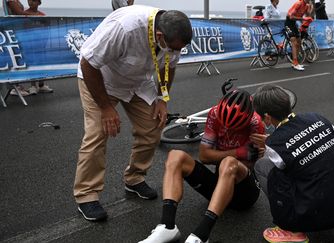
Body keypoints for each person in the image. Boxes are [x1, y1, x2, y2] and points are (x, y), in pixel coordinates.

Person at [73, 5, 192, 221]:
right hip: (100, 80)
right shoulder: (125, 28)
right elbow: (88, 64)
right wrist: (106, 108)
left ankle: (135, 178)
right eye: (173, 49)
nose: (175, 53)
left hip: (137, 82)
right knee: (97, 133)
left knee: (153, 126)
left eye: (179, 50)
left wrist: (162, 99)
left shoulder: (172, 38)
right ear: (159, 36)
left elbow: (169, 67)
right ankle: (86, 195)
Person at [252, 84, 334, 243]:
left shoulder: (274, 143)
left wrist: (271, 144)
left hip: (317, 215)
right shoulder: (317, 118)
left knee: (262, 166)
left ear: (267, 117)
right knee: (327, 160)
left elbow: (282, 179)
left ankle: (291, 229)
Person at [138, 89, 265, 243]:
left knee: (228, 163)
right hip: (220, 184)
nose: (228, 131)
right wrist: (238, 151)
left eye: (234, 128)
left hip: (244, 192)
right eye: (225, 126)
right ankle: (167, 226)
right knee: (175, 155)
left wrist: (232, 156)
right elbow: (204, 156)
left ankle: (202, 235)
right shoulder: (214, 114)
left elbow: (250, 164)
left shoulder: (255, 122)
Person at [7, 0, 54, 96]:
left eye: (33, 0)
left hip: (41, 44)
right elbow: (24, 28)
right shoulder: (25, 15)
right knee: (32, 63)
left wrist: (45, 41)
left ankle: (41, 85)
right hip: (30, 44)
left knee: (42, 63)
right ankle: (32, 85)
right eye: (29, 0)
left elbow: (47, 28)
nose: (31, 2)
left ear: (39, 2)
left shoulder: (42, 15)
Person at [285, 0, 313, 71]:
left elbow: (308, 15)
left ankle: (295, 62)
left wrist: (310, 8)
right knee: (294, 42)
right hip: (288, 23)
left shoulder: (306, 6)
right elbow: (291, 17)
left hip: (294, 24)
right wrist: (303, 18)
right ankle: (295, 63)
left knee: (299, 42)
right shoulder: (298, 3)